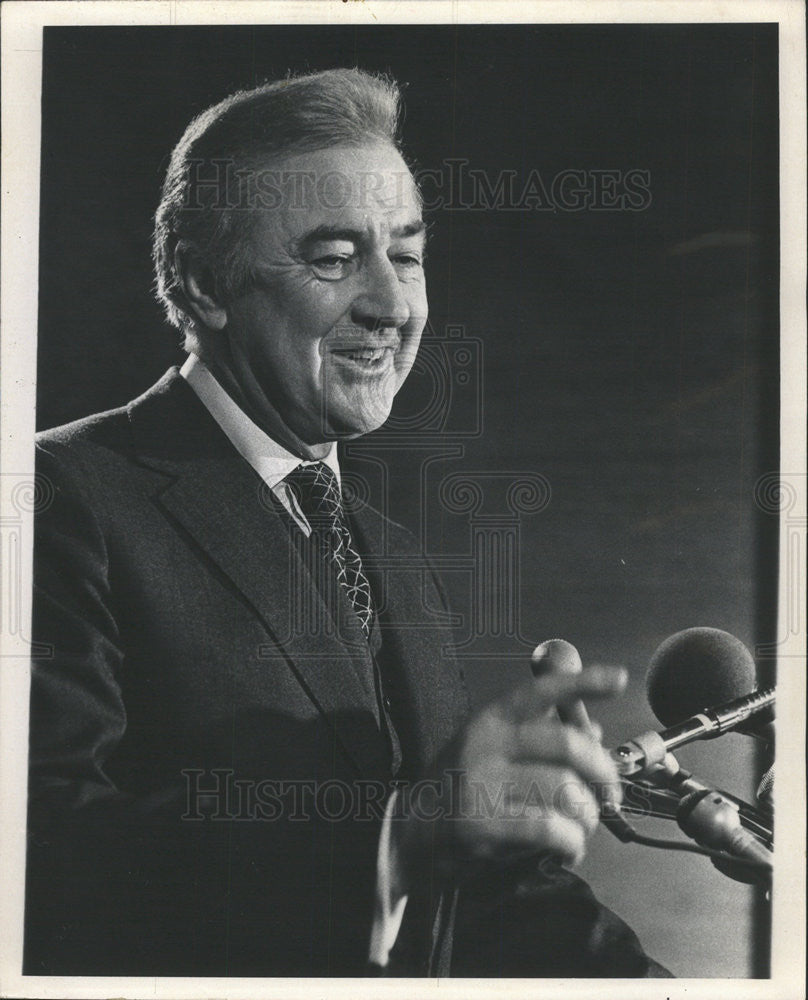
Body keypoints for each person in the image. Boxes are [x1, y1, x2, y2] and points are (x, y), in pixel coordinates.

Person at [25, 68, 665, 977]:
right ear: (205, 284)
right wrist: (398, 840)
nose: (395, 307)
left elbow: (470, 896)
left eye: (405, 254)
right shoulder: (52, 495)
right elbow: (39, 862)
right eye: (334, 258)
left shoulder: (392, 556)